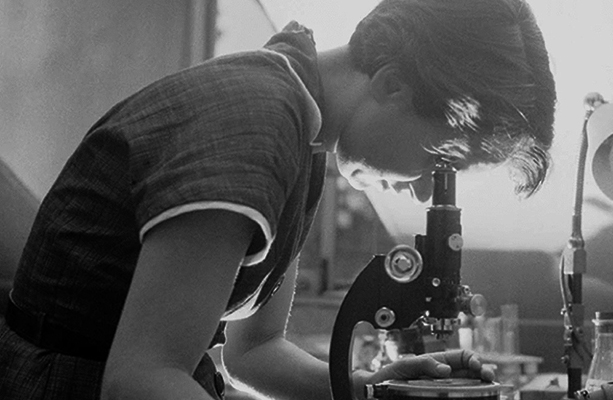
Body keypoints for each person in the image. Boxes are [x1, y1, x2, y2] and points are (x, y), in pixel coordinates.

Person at [0, 0, 556, 398]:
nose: (422, 189)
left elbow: (254, 351)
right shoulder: (255, 123)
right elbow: (141, 379)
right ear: (392, 85)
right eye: (439, 158)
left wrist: (364, 389)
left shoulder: (303, 128)